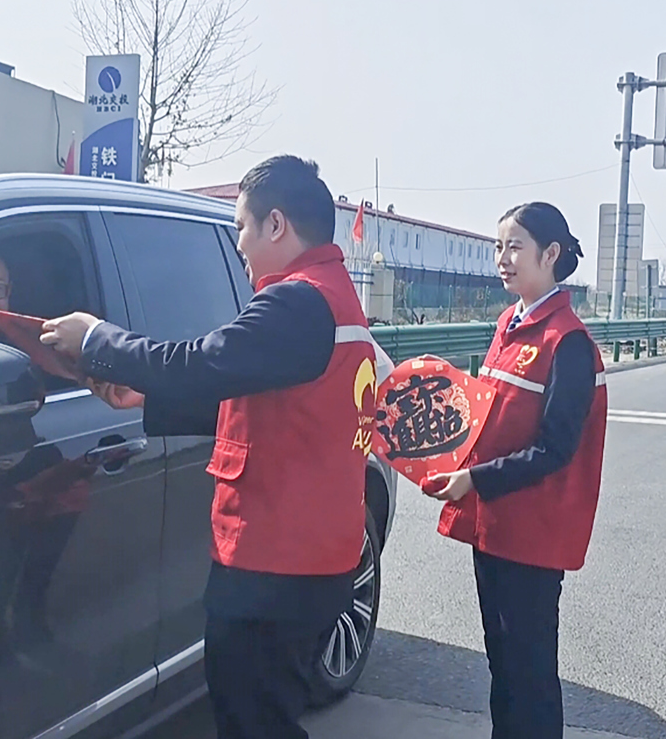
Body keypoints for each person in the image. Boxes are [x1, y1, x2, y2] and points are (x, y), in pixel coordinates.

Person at [39, 155, 391, 739]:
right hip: (311, 560)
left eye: (242, 228)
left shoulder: (296, 300)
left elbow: (200, 363)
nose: (239, 245)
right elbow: (265, 401)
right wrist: (142, 399)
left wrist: (97, 338)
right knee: (266, 717)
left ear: (275, 224)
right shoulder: (335, 299)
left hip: (274, 565)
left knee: (252, 722)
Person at [425, 202, 608, 739]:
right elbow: (489, 417)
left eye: (514, 247)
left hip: (533, 536)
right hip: (495, 527)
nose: (502, 258)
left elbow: (555, 449)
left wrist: (476, 479)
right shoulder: (509, 324)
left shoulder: (568, 343)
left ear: (550, 254)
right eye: (498, 247)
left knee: (529, 675)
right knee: (502, 666)